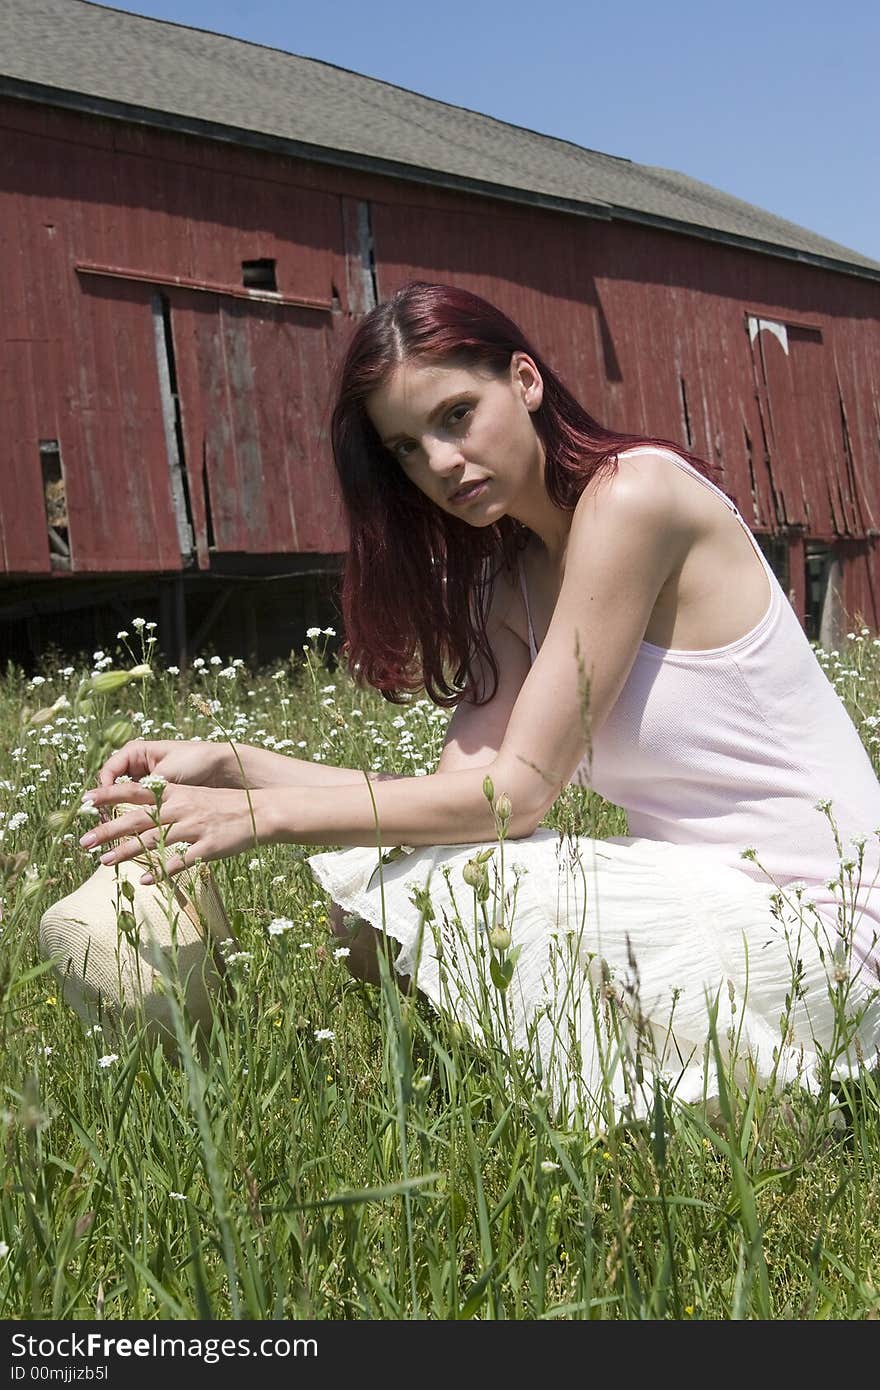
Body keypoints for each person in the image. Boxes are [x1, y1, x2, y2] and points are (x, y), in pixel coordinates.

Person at [77, 281, 880, 1124]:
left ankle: (747, 1102)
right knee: (402, 893)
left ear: (525, 382)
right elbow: (453, 804)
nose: (441, 464)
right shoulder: (512, 583)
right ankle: (716, 1097)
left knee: (438, 896)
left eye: (456, 415)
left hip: (829, 933)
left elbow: (517, 797)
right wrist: (235, 764)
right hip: (721, 898)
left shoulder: (636, 498)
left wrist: (260, 818)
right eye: (407, 450)